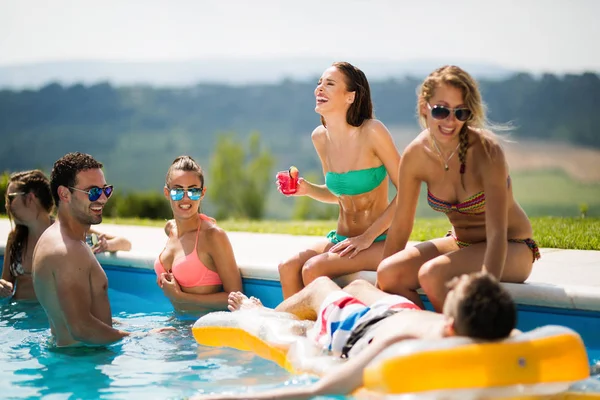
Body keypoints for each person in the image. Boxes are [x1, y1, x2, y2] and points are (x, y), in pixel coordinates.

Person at [197, 272, 516, 400]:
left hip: (364, 326)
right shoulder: (492, 328)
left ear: (449, 326)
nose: (455, 280)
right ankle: (284, 314)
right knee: (359, 286)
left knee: (320, 286)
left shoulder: (403, 344)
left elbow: (327, 386)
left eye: (455, 290)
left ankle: (263, 314)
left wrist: (239, 397)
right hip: (399, 311)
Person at [377, 65, 540, 312]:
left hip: (511, 246)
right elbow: (400, 227)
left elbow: (497, 235)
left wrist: (485, 291)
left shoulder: (487, 151)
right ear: (425, 107)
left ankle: (462, 339)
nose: (450, 121)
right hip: (460, 243)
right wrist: (383, 288)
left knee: (433, 274)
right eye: (441, 110)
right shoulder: (416, 156)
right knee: (389, 273)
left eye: (460, 112)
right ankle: (424, 332)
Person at [276, 61, 401, 299]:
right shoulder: (320, 138)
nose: (319, 89)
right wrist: (307, 189)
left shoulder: (373, 131)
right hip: (342, 239)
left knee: (314, 268)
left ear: (350, 97)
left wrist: (367, 237)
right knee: (287, 266)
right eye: (319, 83)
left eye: (329, 84)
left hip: (379, 241)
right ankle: (297, 331)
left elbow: (408, 190)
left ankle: (327, 332)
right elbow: (339, 194)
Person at [32, 152, 163, 347]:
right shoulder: (67, 251)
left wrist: (129, 327)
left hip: (75, 359)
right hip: (81, 366)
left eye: (106, 190)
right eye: (93, 192)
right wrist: (143, 338)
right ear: (64, 194)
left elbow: (79, 317)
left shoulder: (59, 238)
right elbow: (81, 329)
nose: (102, 199)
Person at [154, 156, 242, 312]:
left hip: (203, 331)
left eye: (193, 191)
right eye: (178, 191)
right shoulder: (170, 229)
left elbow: (237, 298)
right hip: (176, 326)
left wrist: (180, 297)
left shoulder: (213, 236)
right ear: (167, 193)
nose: (186, 198)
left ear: (203, 193)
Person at [1, 170, 54, 301]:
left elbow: (112, 240)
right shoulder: (15, 238)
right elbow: (6, 282)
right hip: (16, 315)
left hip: (46, 318)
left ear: (30, 198)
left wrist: (106, 244)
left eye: (11, 198)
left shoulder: (63, 234)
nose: (7, 205)